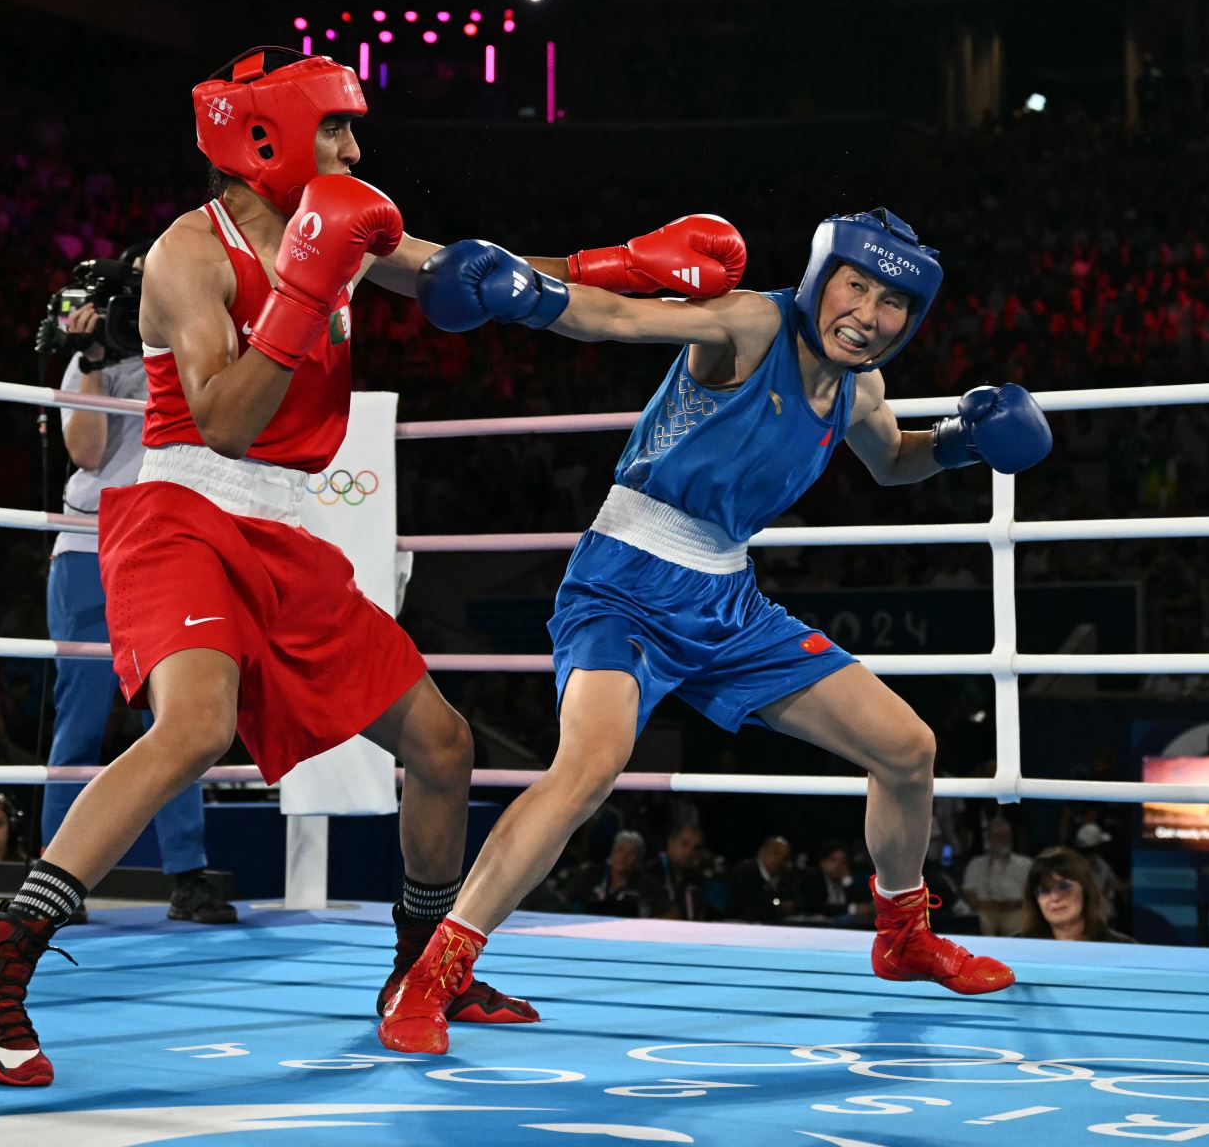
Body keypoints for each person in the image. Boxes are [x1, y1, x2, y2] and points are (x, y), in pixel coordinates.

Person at [0, 45, 744, 1087]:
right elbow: (223, 423)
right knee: (194, 726)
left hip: (284, 526)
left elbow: (474, 276)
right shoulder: (190, 253)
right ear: (263, 139)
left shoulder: (351, 222)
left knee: (444, 746)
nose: (354, 149)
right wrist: (306, 288)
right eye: (336, 131)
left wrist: (626, 263)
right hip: (178, 507)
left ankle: (421, 970)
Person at [381, 208, 1051, 1053]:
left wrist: (962, 442)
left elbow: (890, 460)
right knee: (587, 768)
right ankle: (433, 974)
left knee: (907, 748)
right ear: (820, 280)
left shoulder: (859, 387)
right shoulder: (753, 322)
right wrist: (529, 297)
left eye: (892, 303)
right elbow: (621, 316)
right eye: (856, 285)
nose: (868, 314)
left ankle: (903, 936)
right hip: (623, 580)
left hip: (727, 599)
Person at [42, 259, 232, 926]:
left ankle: (187, 875)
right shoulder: (86, 368)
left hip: (165, 550)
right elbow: (88, 453)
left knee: (178, 721)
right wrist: (90, 357)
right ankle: (56, 881)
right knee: (82, 721)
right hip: (89, 548)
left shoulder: (195, 351)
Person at [1017, 847, 1134, 944]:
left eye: (1064, 886)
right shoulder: (1017, 948)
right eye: (1044, 890)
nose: (1055, 897)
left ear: (1085, 891)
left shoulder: (1123, 947)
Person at [961, 818, 1032, 937]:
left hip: (1015, 911)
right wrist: (995, 906)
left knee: (1019, 925)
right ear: (988, 839)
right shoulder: (975, 864)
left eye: (1005, 836)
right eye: (997, 836)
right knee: (980, 923)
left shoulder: (1026, 863)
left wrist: (1011, 905)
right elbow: (969, 894)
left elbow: (1030, 893)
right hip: (985, 912)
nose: (1002, 840)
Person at [559, 829, 647, 917]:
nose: (624, 857)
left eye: (631, 854)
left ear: (637, 859)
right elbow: (564, 897)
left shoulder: (645, 884)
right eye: (620, 850)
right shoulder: (591, 874)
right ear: (613, 852)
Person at [641, 820, 709, 921]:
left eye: (695, 848)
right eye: (684, 844)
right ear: (671, 843)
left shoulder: (697, 879)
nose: (689, 852)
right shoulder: (649, 873)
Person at [727, 835, 803, 924]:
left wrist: (793, 905)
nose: (781, 860)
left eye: (785, 857)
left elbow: (798, 900)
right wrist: (778, 907)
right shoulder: (745, 873)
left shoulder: (785, 875)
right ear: (762, 852)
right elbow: (749, 908)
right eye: (777, 853)